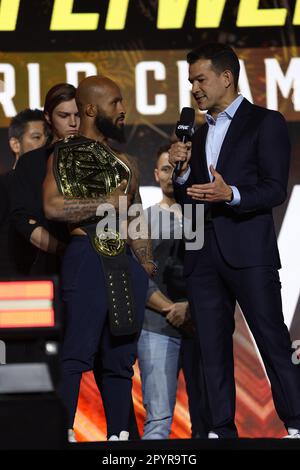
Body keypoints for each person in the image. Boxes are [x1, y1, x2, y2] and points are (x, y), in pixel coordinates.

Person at [169, 43, 300, 439]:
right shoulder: (198, 131)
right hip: (203, 256)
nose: (194, 88)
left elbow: (275, 188)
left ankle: (295, 423)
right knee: (212, 347)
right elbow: (188, 195)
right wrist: (179, 172)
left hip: (249, 252)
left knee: (272, 338)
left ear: (226, 77)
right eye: (191, 80)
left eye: (200, 79)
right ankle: (221, 429)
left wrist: (233, 194)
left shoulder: (266, 122)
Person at [43, 75, 154, 441]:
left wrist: (145, 261)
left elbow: (135, 215)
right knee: (76, 354)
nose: (123, 110)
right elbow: (53, 206)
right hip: (87, 256)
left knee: (121, 361)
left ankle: (119, 440)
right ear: (91, 109)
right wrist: (105, 204)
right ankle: (59, 434)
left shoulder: (124, 162)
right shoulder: (65, 152)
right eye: (116, 103)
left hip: (124, 262)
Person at [138, 144, 208, 439]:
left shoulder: (203, 218)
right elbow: (137, 276)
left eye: (176, 169)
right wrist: (171, 308)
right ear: (156, 174)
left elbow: (213, 274)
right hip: (156, 326)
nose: (171, 175)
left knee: (209, 420)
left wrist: (191, 307)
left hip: (202, 325)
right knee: (157, 422)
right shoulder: (141, 219)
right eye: (165, 169)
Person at [11, 84, 79, 275]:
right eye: (64, 116)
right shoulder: (31, 164)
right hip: (47, 266)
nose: (73, 122)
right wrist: (64, 251)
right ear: (48, 117)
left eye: (78, 114)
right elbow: (23, 219)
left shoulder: (97, 159)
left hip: (91, 263)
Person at [0, 108, 49, 277]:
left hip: (50, 279)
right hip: (12, 288)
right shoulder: (3, 186)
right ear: (15, 144)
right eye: (36, 137)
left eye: (47, 137)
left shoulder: (52, 187)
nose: (44, 143)